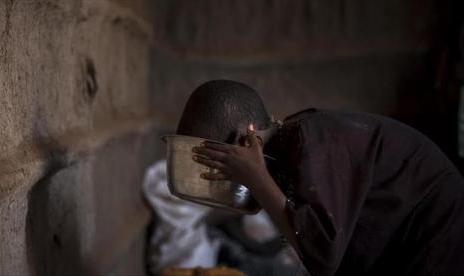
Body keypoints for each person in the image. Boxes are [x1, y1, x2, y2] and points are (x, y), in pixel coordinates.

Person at [176, 80, 464, 275]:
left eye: (221, 162)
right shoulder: (291, 150)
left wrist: (255, 177)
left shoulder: (309, 139)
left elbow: (323, 255)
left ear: (243, 142)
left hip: (437, 230)